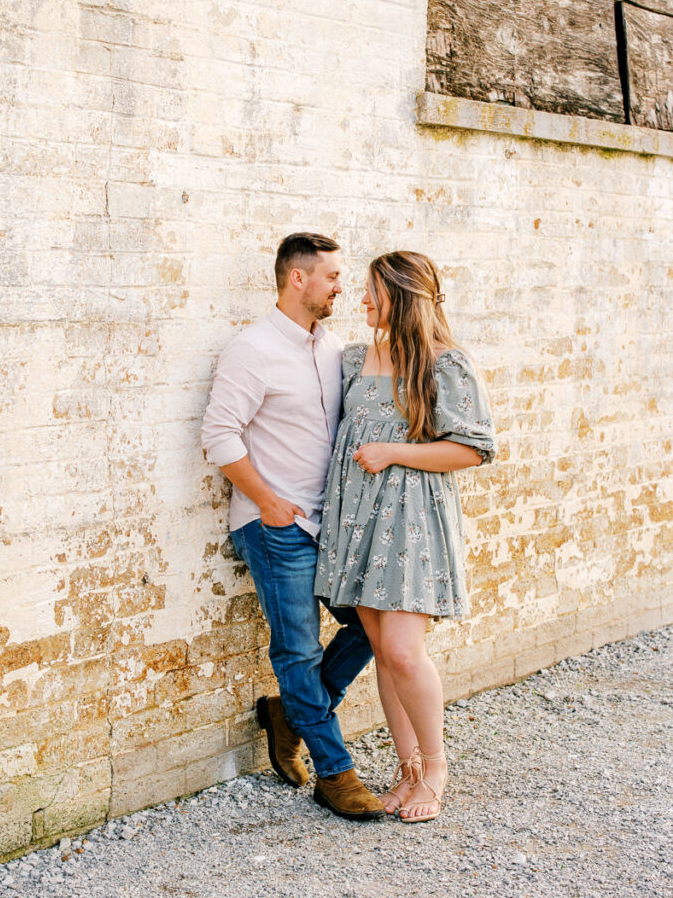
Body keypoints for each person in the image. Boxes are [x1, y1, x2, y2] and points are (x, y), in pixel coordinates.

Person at [201, 232, 385, 821]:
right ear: (297, 278)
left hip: (330, 527)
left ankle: (290, 714)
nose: (341, 287)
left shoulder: (333, 349)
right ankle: (336, 773)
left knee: (377, 625)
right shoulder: (252, 349)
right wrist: (268, 502)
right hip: (275, 525)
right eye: (332, 276)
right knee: (299, 652)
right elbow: (218, 436)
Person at [314, 251, 496, 823]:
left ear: (401, 296)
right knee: (384, 654)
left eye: (373, 290)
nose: (362, 300)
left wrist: (393, 451)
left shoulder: (446, 364)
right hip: (358, 522)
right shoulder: (353, 359)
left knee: (401, 650)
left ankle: (436, 768)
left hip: (412, 522)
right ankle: (408, 769)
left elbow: (472, 449)